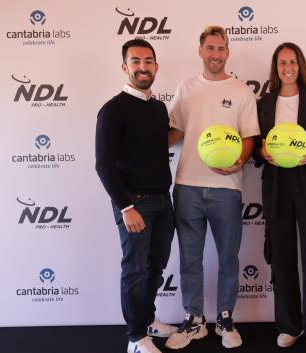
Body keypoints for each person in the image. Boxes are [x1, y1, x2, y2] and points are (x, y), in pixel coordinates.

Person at [164, 25, 259, 350]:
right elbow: (174, 131)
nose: (216, 54)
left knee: (228, 258)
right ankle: (194, 320)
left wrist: (239, 162)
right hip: (187, 186)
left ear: (227, 52)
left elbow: (249, 136)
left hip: (226, 188)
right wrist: (143, 146)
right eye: (210, 48)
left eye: (221, 48)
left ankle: (225, 318)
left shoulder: (242, 91)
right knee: (190, 259)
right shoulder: (186, 88)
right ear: (200, 51)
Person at [253, 42, 306, 353]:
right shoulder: (264, 103)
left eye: (292, 61)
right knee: (282, 258)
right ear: (275, 68)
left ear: (300, 64)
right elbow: (256, 147)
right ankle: (290, 325)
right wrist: (262, 152)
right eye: (281, 63)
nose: (287, 67)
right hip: (277, 188)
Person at [95, 39, 177, 353]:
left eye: (148, 61)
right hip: (135, 203)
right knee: (134, 270)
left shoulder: (157, 107)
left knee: (155, 267)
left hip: (162, 201)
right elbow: (103, 165)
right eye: (136, 61)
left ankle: (147, 320)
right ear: (125, 67)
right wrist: (126, 206)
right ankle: (135, 337)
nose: (143, 67)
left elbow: (158, 145)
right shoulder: (113, 109)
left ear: (156, 66)